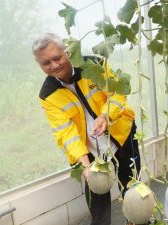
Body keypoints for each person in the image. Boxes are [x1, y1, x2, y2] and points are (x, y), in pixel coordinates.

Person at [32, 33, 140, 225]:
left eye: (57, 58)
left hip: (121, 135)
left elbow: (118, 94)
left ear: (67, 51)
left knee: (132, 188)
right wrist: (85, 166)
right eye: (46, 63)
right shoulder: (47, 94)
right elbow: (66, 134)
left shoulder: (95, 65)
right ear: (39, 64)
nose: (54, 65)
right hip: (90, 150)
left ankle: (135, 221)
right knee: (97, 202)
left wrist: (106, 116)